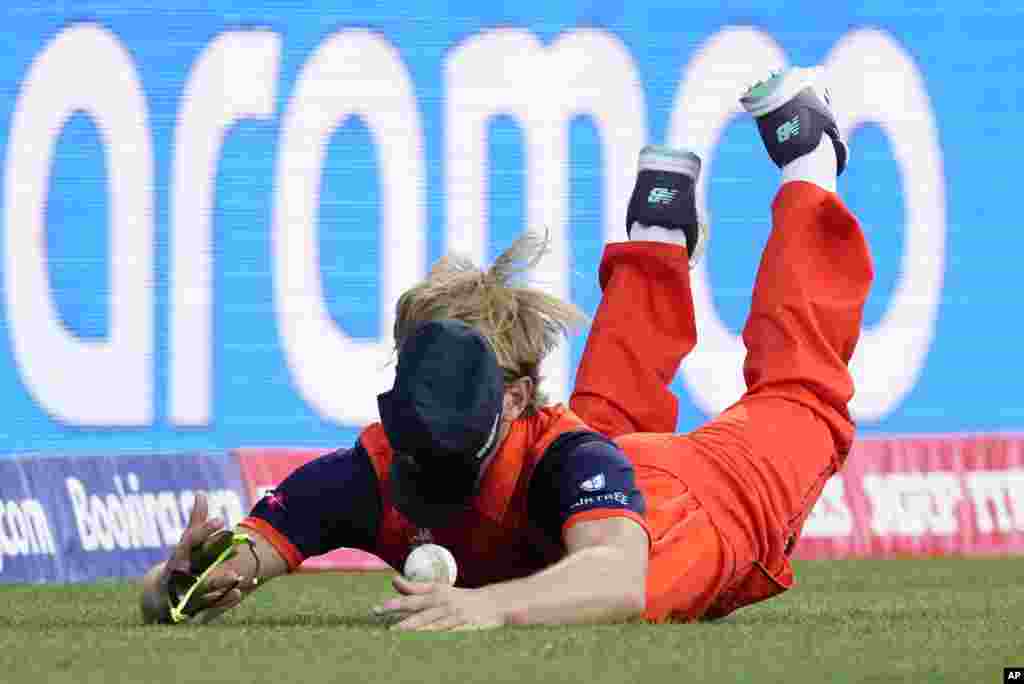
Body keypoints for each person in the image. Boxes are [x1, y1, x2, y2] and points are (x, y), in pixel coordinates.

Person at [140, 65, 872, 629]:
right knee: (606, 416)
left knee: (800, 395)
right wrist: (184, 580)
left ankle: (810, 164)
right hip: (593, 475)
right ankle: (656, 240)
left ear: (514, 399)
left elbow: (617, 577)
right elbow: (223, 568)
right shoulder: (368, 471)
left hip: (692, 501)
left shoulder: (571, 457)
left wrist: (488, 609)